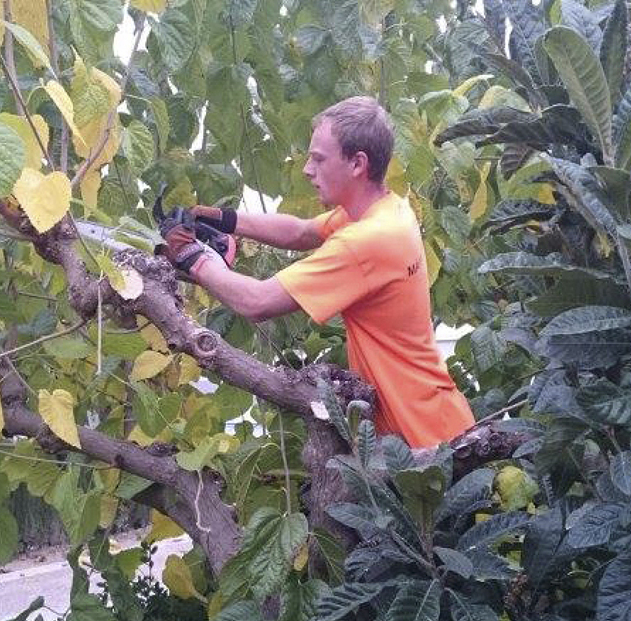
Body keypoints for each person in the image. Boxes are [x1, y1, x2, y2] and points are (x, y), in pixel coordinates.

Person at [161, 96, 474, 448]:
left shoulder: (367, 241)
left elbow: (256, 302)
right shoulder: (382, 210)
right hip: (436, 418)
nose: (308, 169)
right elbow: (300, 232)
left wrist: (193, 256)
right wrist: (222, 219)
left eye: (319, 159)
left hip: (426, 441)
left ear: (358, 163)